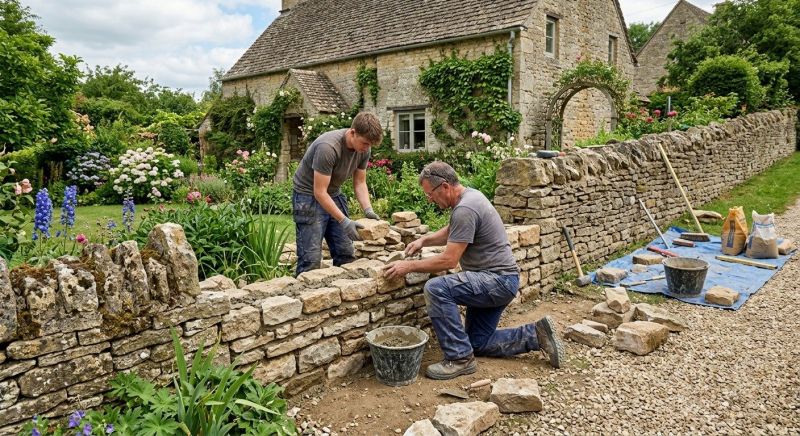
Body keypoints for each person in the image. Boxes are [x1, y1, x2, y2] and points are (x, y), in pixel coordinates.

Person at [383, 161, 565, 380]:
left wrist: (407, 266)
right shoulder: (471, 197)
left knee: (436, 288)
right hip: (502, 281)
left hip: (495, 281)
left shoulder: (465, 208)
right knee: (478, 342)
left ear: (444, 186)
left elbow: (449, 260)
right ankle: (536, 334)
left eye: (429, 194)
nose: (429, 199)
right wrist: (424, 241)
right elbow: (454, 231)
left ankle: (459, 359)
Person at [292, 112, 383, 275]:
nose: (366, 148)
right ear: (353, 132)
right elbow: (319, 192)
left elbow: (360, 182)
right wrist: (344, 220)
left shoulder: (363, 149)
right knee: (310, 260)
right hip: (308, 197)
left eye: (370, 145)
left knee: (346, 252)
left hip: (333, 193)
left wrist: (368, 210)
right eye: (365, 143)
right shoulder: (328, 147)